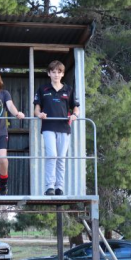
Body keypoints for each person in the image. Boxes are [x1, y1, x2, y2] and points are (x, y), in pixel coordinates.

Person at [33, 60, 80, 196]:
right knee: (52, 155)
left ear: (63, 74)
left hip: (64, 127)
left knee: (61, 158)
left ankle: (59, 187)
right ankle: (50, 187)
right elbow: (36, 109)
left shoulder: (69, 89)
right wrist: (39, 114)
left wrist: (75, 115)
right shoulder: (43, 89)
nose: (56, 75)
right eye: (53, 72)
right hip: (48, 127)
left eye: (59, 72)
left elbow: (76, 107)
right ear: (49, 73)